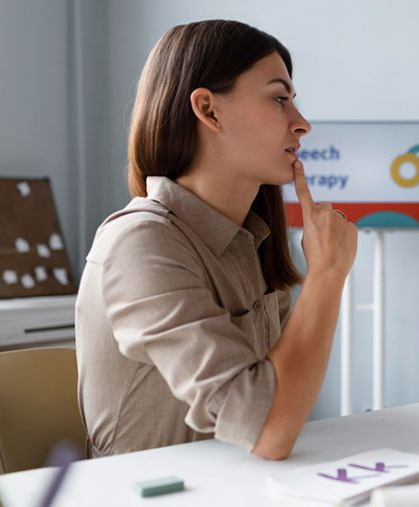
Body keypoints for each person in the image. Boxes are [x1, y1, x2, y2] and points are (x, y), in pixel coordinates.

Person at [75, 20, 357, 460]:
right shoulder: (138, 245)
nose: (302, 125)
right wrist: (327, 273)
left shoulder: (254, 240)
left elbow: (282, 409)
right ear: (208, 110)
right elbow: (271, 430)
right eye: (279, 99)